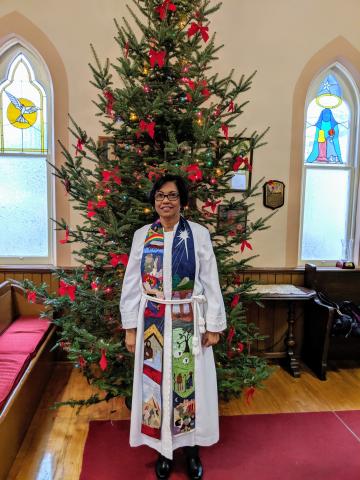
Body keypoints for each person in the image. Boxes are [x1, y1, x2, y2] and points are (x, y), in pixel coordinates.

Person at [120, 174, 227, 480]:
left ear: (183, 201)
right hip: (153, 320)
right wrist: (130, 327)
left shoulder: (198, 234)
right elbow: (131, 282)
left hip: (188, 321)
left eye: (172, 195)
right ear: (154, 201)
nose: (165, 201)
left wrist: (214, 325)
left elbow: (210, 280)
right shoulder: (143, 235)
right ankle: (161, 450)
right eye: (160, 196)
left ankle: (191, 450)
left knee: (186, 386)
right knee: (158, 383)